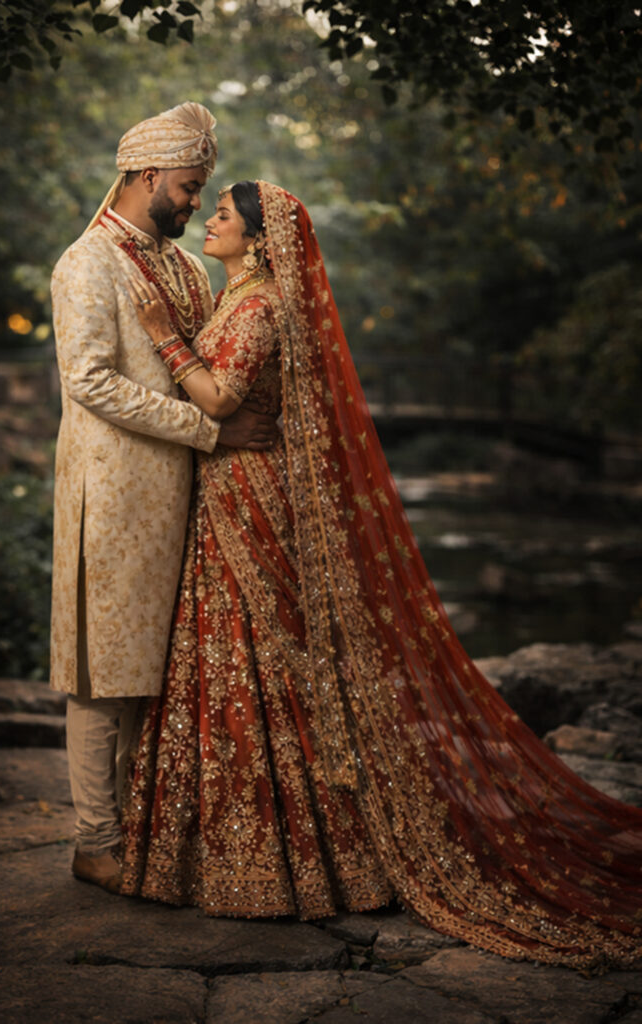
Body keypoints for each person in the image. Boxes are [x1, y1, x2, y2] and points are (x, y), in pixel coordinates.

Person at [119, 179, 642, 969]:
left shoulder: (259, 307)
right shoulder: (236, 299)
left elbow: (221, 397)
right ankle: (239, 856)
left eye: (222, 213)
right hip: (227, 490)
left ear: (258, 239)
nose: (210, 220)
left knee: (264, 657)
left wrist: (164, 337)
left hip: (251, 494)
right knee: (230, 652)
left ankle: (306, 858)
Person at [49, 106, 278, 894]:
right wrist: (208, 431)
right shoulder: (87, 263)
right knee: (102, 673)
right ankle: (95, 843)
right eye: (187, 188)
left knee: (159, 672)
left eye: (202, 190)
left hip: (187, 496)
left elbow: (210, 366)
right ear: (147, 176)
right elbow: (89, 381)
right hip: (112, 494)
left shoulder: (183, 267)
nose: (195, 203)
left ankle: (149, 837)